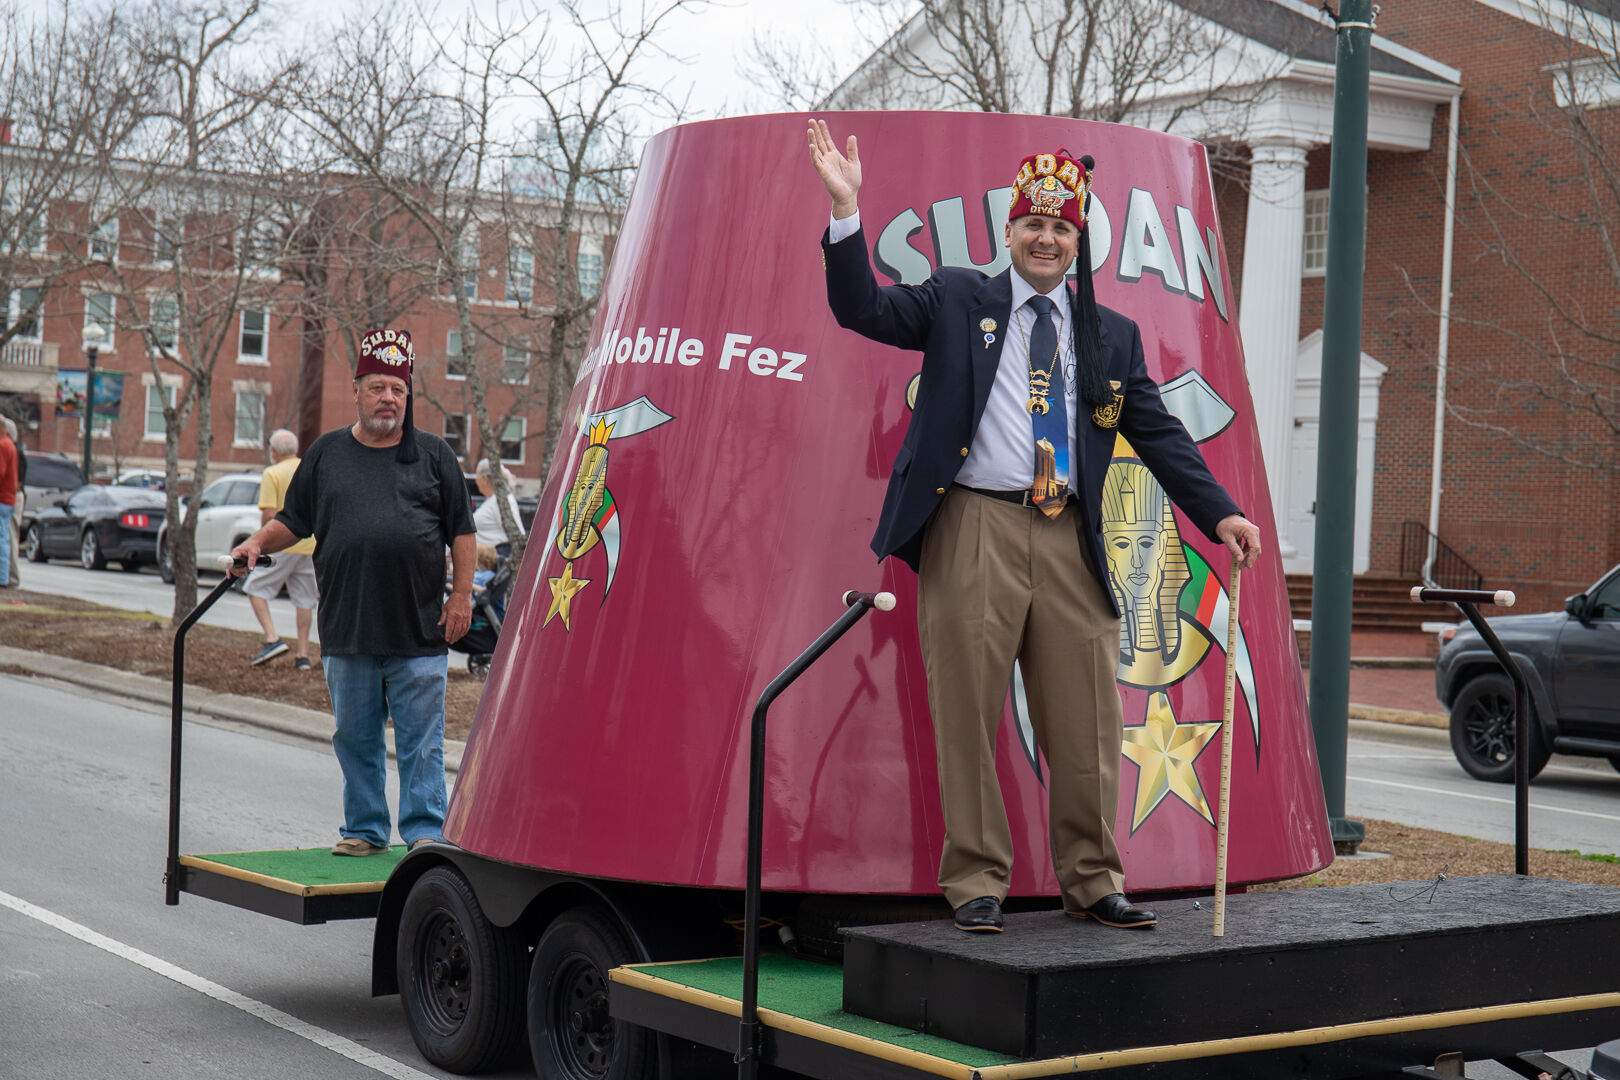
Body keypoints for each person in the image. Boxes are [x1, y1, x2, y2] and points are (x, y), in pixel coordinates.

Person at [807, 120, 1261, 933]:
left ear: (1075, 238)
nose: (1046, 238)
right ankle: (976, 881)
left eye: (1060, 226)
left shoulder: (1109, 335)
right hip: (973, 524)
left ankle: (1092, 880)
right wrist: (847, 211)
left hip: (1067, 535)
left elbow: (1155, 433)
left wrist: (1219, 511)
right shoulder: (957, 300)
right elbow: (860, 308)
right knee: (967, 711)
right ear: (1009, 231)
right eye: (1032, 224)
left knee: (1086, 719)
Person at [229, 328, 476, 856]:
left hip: (418, 628)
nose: (389, 398)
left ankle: (425, 835)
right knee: (355, 738)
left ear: (408, 398)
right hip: (347, 625)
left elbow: (462, 531)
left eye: (399, 390)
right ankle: (364, 830)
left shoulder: (434, 456)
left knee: (422, 744)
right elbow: (294, 520)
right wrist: (254, 542)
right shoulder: (327, 454)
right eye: (379, 387)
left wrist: (461, 597)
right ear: (358, 389)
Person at [244, 428, 319, 670]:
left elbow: (269, 515)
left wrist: (261, 541)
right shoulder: (309, 468)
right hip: (310, 544)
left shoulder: (272, 473)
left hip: (284, 543)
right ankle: (303, 655)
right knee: (305, 601)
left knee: (254, 588)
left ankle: (272, 639)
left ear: (274, 452)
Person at [472, 457, 523, 551]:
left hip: (496, 561)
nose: (476, 481)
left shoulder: (502, 502)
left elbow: (517, 535)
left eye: (477, 477)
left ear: (485, 478)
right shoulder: (492, 501)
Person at [0, 416, 17, 589]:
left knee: (2, 538)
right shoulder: (10, 445)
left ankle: (2, 578)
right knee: (4, 537)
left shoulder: (3, 445)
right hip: (9, 498)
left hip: (2, 499)